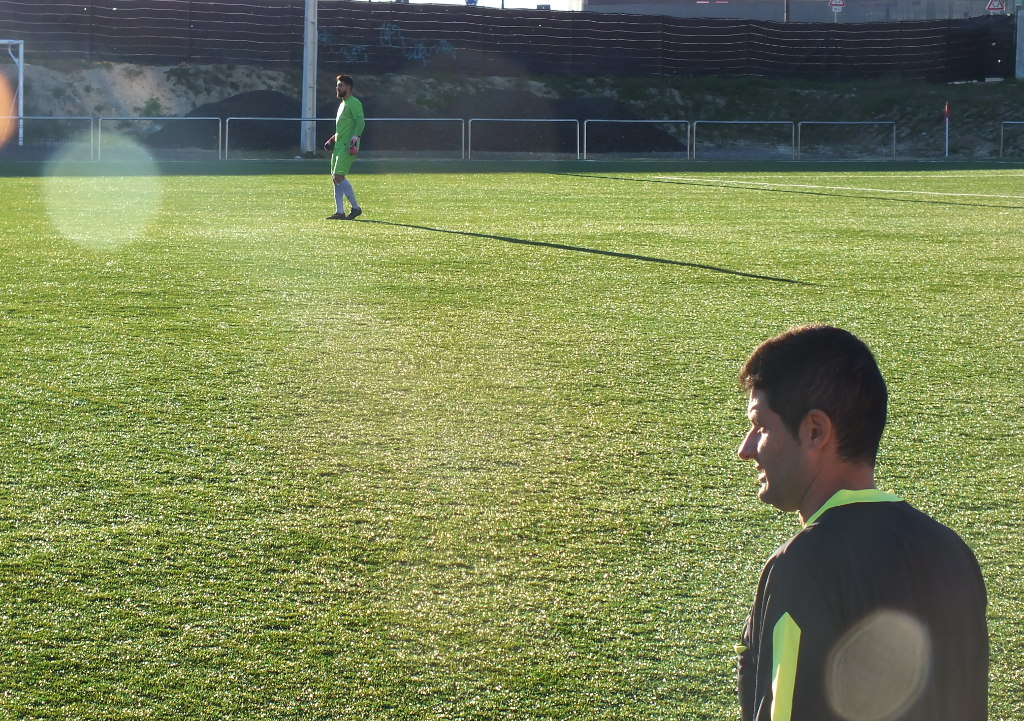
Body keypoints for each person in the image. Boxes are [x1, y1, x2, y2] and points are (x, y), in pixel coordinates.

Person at [735, 325, 987, 721]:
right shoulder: (952, 551)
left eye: (761, 426)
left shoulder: (802, 567)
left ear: (815, 430)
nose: (745, 449)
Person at [325, 74, 365, 220]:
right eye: (337, 85)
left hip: (347, 146)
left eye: (340, 85)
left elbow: (361, 122)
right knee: (335, 178)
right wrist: (332, 139)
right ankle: (340, 212)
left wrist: (354, 140)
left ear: (348, 87)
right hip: (339, 145)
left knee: (338, 176)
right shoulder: (343, 104)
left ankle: (356, 208)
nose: (337, 88)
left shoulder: (354, 103)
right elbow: (343, 128)